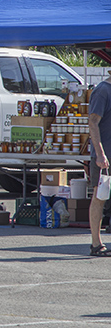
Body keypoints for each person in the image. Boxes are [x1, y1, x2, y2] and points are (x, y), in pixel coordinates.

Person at [88, 73, 111, 256]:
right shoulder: (103, 91)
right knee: (99, 197)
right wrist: (100, 153)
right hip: (104, 157)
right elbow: (93, 122)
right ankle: (96, 244)